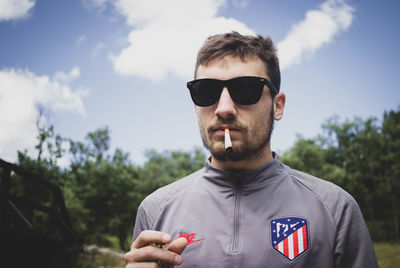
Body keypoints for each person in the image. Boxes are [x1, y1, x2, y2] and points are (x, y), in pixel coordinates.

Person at [124, 32, 378, 267]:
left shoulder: (335, 209)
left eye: (245, 90)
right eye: (206, 91)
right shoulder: (155, 210)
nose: (224, 108)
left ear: (277, 106)